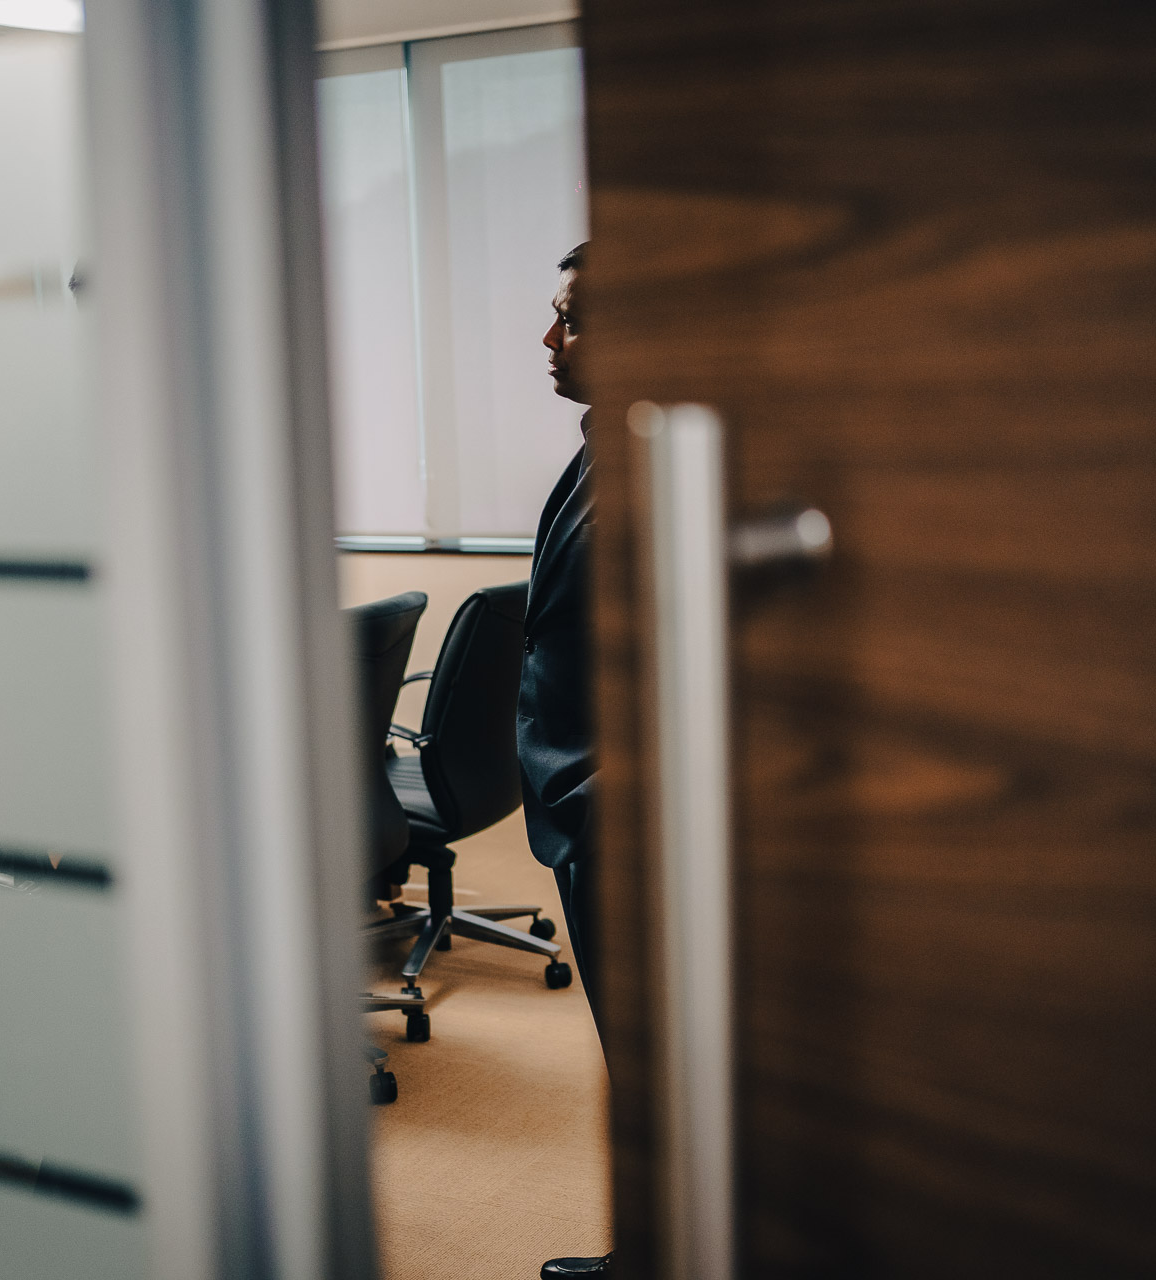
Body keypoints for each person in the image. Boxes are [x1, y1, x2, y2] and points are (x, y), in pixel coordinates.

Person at [522, 242, 612, 1280]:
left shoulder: (663, 470)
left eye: (573, 320)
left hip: (608, 807)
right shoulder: (602, 440)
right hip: (576, 797)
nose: (550, 339)